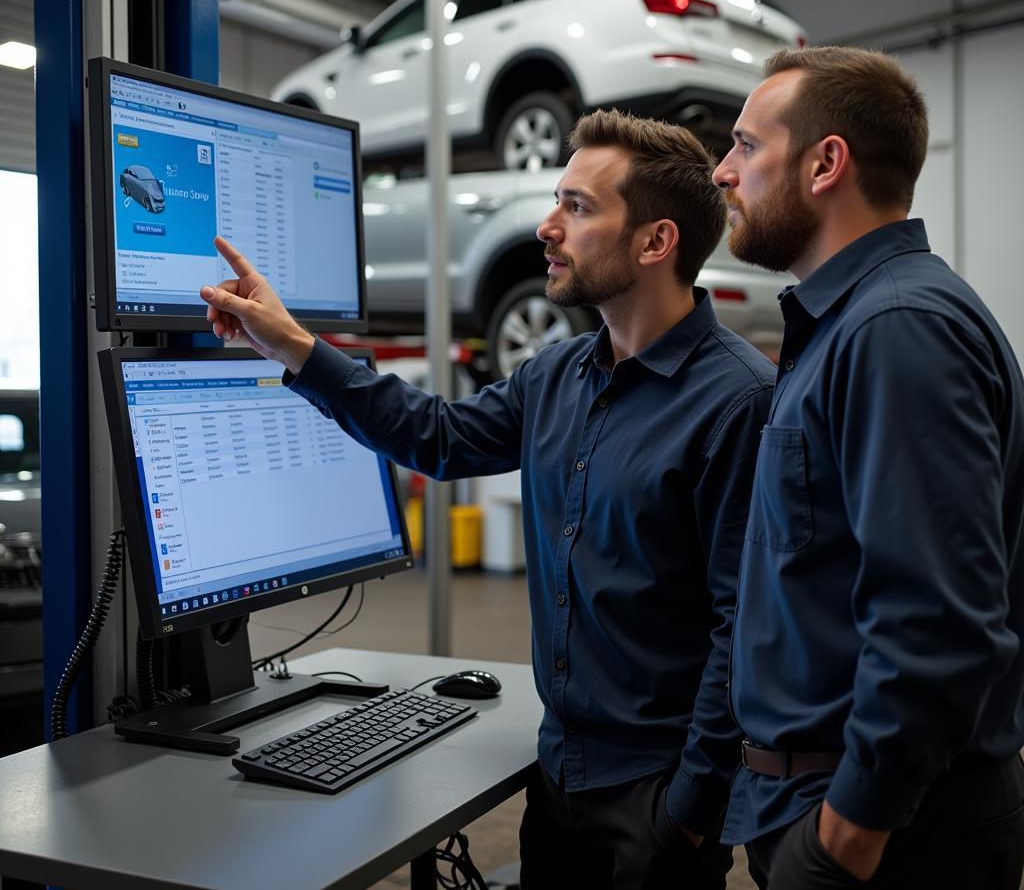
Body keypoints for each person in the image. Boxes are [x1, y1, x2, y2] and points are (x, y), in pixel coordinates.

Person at [201, 109, 775, 889]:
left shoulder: (738, 402)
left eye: (577, 207)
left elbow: (741, 629)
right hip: (559, 775)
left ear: (654, 242)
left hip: (658, 799)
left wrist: (692, 809)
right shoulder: (557, 374)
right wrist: (294, 346)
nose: (547, 227)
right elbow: (436, 437)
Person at [713, 45, 1024, 889]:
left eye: (745, 146)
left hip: (887, 837)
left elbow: (938, 621)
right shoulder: (851, 324)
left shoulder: (895, 329)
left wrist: (845, 838)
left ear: (825, 163)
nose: (721, 172)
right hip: (841, 810)